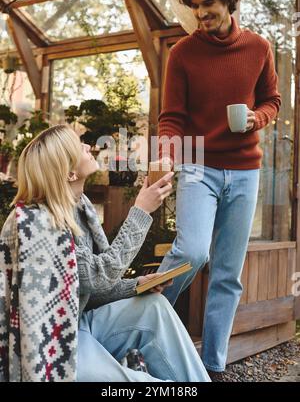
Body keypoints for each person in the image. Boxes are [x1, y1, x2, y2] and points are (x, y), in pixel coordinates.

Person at [0, 124, 210, 382]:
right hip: (55, 344)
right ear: (68, 173)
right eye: (78, 146)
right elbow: (99, 277)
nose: (88, 146)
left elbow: (86, 286)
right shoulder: (38, 223)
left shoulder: (78, 208)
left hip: (79, 323)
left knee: (154, 306)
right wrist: (141, 212)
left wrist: (135, 286)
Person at [158, 0, 281, 379]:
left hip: (246, 171)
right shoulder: (182, 54)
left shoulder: (259, 48)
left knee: (228, 274)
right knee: (192, 251)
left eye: (207, 4)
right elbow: (171, 116)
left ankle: (213, 365)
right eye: (194, 7)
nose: (201, 14)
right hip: (198, 166)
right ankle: (139, 319)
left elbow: (273, 101)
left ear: (228, 0)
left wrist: (256, 119)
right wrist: (167, 157)